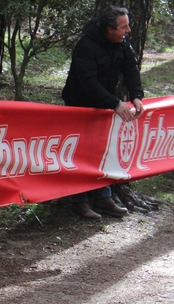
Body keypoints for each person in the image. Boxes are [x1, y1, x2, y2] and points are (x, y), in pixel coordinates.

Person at [62, 5, 144, 220]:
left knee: (102, 150)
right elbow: (87, 81)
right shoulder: (86, 46)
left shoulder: (122, 42)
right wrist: (115, 103)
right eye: (123, 27)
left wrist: (136, 96)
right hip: (78, 105)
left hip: (103, 104)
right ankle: (79, 202)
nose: (128, 31)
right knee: (79, 154)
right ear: (109, 29)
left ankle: (103, 198)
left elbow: (131, 69)